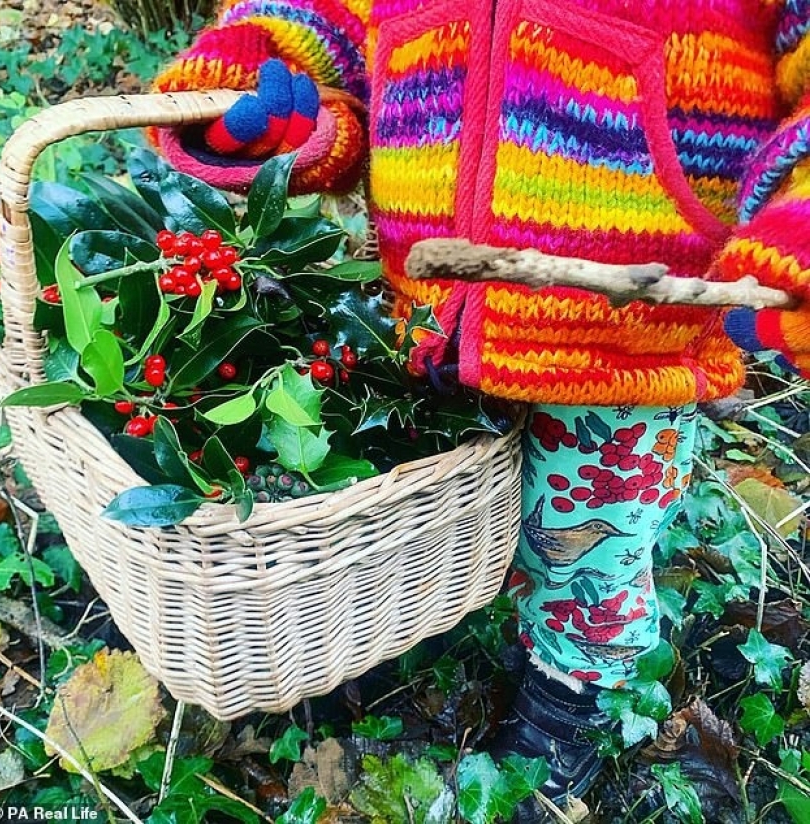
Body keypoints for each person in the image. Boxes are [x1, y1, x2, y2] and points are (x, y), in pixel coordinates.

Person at [150, 0, 810, 818]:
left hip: (628, 327)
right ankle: (417, 616)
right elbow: (328, 28)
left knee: (586, 533)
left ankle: (571, 695)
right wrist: (274, 97)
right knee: (429, 503)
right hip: (425, 303)